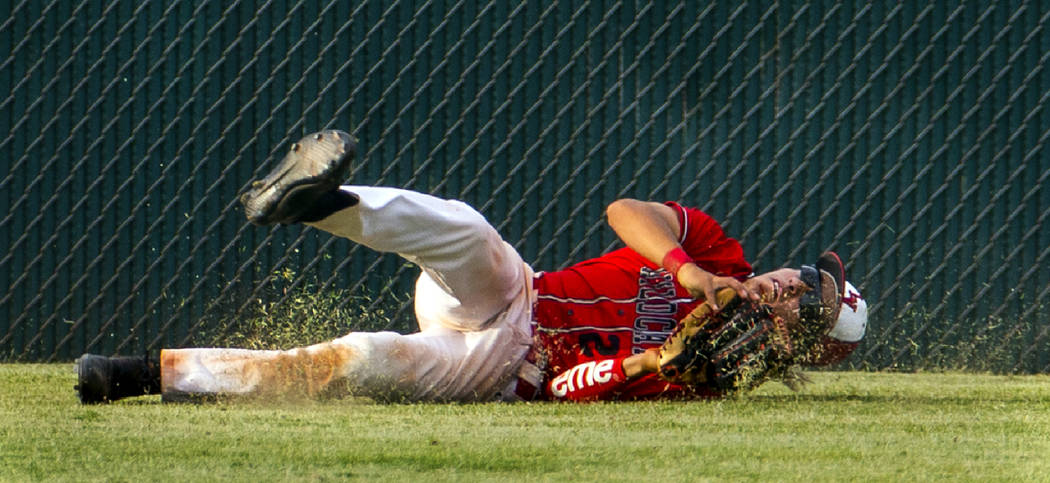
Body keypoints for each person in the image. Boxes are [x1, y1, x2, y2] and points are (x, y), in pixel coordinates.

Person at [74, 129, 867, 404]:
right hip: (515, 293)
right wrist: (691, 274)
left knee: (353, 359)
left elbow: (561, 386)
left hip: (498, 369)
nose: (794, 283)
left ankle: (140, 374)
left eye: (810, 303)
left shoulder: (713, 372)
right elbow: (627, 213)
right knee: (467, 233)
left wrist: (659, 358)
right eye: (806, 274)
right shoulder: (720, 254)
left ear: (797, 344)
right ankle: (314, 201)